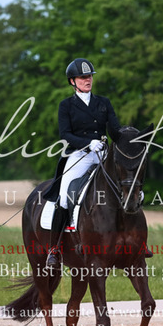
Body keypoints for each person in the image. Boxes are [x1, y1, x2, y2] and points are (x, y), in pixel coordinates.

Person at [44, 58, 121, 267]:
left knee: (127, 186)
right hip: (79, 155)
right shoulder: (66, 105)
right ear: (72, 81)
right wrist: (88, 143)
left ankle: (135, 241)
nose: (88, 80)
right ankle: (54, 249)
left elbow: (114, 129)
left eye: (89, 76)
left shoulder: (103, 102)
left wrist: (128, 136)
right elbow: (65, 134)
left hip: (103, 154)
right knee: (63, 196)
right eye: (83, 77)